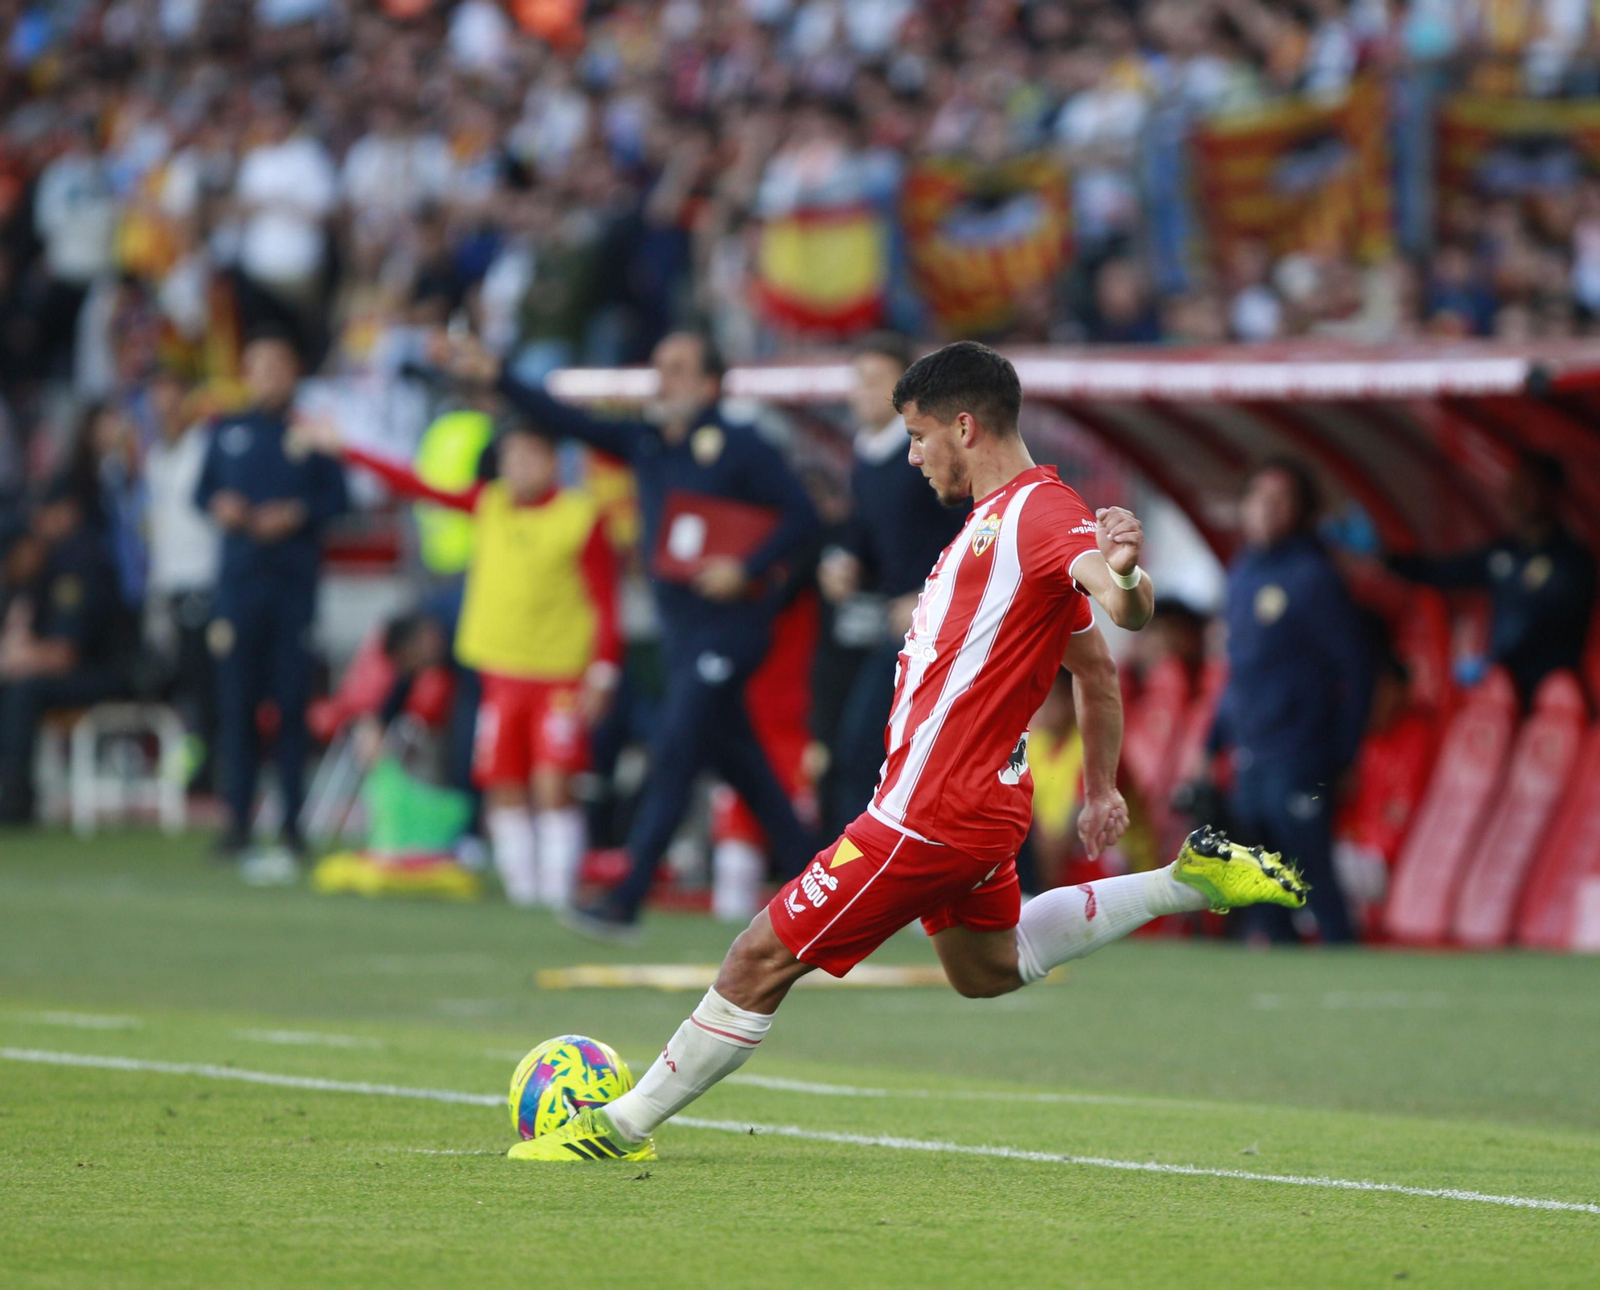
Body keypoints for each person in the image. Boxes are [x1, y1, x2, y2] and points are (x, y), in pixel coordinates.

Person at [507, 341, 1308, 1163]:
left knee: (760, 954)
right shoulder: (993, 529)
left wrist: (1130, 577)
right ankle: (1184, 881)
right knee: (986, 969)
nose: (915, 456)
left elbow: (1121, 612)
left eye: (919, 437)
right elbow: (1094, 672)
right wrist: (1100, 787)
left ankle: (615, 1130)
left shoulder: (1039, 513)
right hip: (980, 809)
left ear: (965, 426)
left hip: (931, 812)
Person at [435, 328, 821, 936]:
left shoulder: (744, 446)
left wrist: (744, 569)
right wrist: (499, 376)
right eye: (658, 366)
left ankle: (626, 896)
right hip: (682, 634)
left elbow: (803, 516)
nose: (660, 379)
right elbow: (566, 420)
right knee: (742, 763)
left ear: (710, 383)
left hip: (731, 630)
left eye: (676, 368)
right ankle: (821, 881)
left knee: (674, 750)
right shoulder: (645, 443)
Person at [301, 417, 621, 909]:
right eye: (511, 458)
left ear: (553, 462)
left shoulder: (580, 518)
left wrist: (603, 672)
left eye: (530, 457)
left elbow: (605, 602)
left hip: (557, 674)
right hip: (499, 674)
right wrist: (348, 450)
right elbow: (416, 484)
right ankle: (524, 894)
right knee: (504, 784)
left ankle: (557, 892)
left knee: (553, 782)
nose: (518, 468)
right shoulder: (490, 504)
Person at [195, 334, 348, 866]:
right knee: (236, 709)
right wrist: (223, 506)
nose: (268, 376)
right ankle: (236, 823)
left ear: (294, 371)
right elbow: (201, 492)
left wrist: (297, 514)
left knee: (289, 709)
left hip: (292, 589)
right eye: (258, 366)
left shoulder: (312, 431)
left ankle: (291, 825)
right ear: (246, 372)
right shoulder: (227, 429)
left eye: (278, 365)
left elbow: (339, 498)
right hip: (238, 588)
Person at [1208, 459, 1372, 945]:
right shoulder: (1241, 574)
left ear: (1301, 512)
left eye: (1279, 501)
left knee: (1311, 870)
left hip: (1301, 754)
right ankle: (1282, 989)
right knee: (1262, 885)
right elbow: (1237, 671)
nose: (1265, 510)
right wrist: (1210, 743)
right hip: (1251, 754)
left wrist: (1343, 751)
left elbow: (1356, 670)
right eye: (1258, 498)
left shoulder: (1313, 577)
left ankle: (1348, 961)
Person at [816, 333, 969, 835]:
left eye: (874, 380)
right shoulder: (865, 455)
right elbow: (866, 533)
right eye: (856, 380)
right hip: (892, 629)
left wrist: (928, 595)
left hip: (939, 626)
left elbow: (969, 530)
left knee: (873, 748)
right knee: (861, 748)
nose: (860, 392)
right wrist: (843, 561)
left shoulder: (929, 453)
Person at [1385, 452, 1596, 706]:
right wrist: (1384, 557)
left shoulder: (1573, 562)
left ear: (1552, 493)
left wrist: (1494, 664)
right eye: (1513, 486)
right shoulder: (1504, 552)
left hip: (1556, 701)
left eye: (1526, 487)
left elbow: (1544, 623)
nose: (1515, 496)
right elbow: (1442, 573)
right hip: (1506, 695)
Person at [0, 479, 127, 822]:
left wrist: (18, 659)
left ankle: (13, 793)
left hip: (105, 671)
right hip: (72, 669)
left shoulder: (79, 560)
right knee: (15, 682)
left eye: (46, 513)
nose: (40, 524)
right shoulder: (44, 567)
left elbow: (64, 655)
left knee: (25, 687)